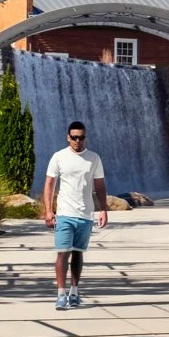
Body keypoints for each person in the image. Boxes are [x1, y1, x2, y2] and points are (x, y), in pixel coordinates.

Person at [41, 120, 108, 309]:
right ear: (68, 138)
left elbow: (100, 185)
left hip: (86, 214)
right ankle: (61, 294)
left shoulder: (94, 158)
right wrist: (48, 210)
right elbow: (49, 184)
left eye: (81, 137)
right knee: (63, 253)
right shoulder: (59, 157)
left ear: (86, 137)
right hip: (64, 213)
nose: (78, 141)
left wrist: (103, 209)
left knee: (78, 253)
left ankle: (74, 291)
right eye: (74, 137)